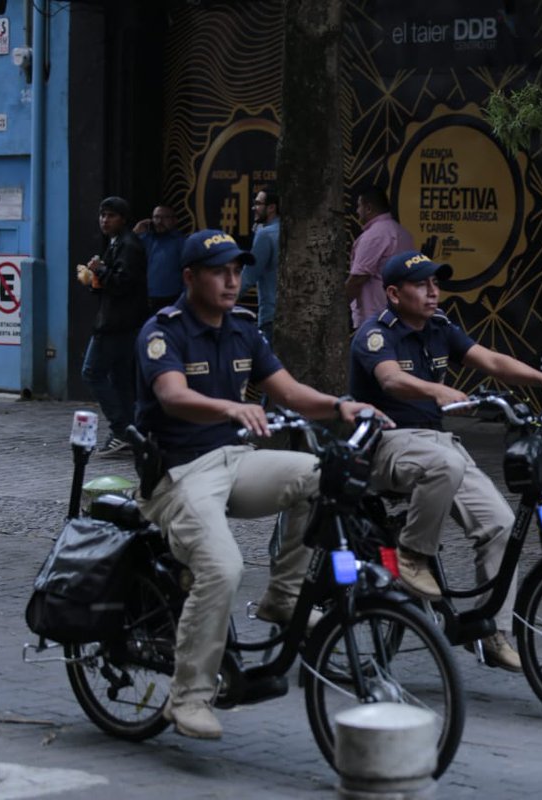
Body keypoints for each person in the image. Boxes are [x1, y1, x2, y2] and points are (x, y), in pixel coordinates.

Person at [134, 229, 388, 740]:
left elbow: (289, 392)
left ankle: (284, 597)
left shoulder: (244, 330)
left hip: (234, 460)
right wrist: (231, 408)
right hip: (180, 473)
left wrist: (342, 406)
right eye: (219, 272)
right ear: (190, 277)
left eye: (237, 270)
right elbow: (172, 395)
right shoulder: (163, 331)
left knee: (320, 477)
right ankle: (189, 697)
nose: (232, 281)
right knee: (223, 568)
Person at [349, 250, 542, 672]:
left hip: (438, 443)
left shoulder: (440, 328)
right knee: (444, 463)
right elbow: (390, 379)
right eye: (421, 285)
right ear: (394, 294)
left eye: (436, 283)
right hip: (387, 442)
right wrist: (436, 390)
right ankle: (412, 554)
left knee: (500, 525)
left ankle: (492, 630)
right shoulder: (375, 334)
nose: (433, 292)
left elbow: (492, 361)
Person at [79, 196, 148, 457]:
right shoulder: (117, 242)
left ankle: (120, 429)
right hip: (120, 321)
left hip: (116, 323)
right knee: (120, 379)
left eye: (111, 216)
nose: (104, 220)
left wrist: (100, 270)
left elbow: (122, 284)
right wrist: (94, 278)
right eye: (102, 215)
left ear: (123, 219)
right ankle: (131, 431)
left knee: (92, 372)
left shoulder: (129, 245)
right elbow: (111, 283)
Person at [345, 186, 414, 328]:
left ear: (368, 208)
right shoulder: (403, 233)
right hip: (400, 314)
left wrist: (336, 306)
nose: (357, 211)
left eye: (359, 206)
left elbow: (358, 279)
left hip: (376, 318)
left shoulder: (374, 236)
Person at [239, 189, 280, 343]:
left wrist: (219, 303)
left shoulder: (266, 234)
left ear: (271, 207)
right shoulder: (286, 230)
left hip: (271, 315)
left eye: (257, 203)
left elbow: (249, 276)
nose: (253, 208)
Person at [133, 205, 186, 311]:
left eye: (165, 217)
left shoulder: (182, 242)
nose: (159, 221)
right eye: (156, 217)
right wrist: (135, 232)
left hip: (171, 300)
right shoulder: (145, 238)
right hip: (144, 299)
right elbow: (125, 250)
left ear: (175, 220)